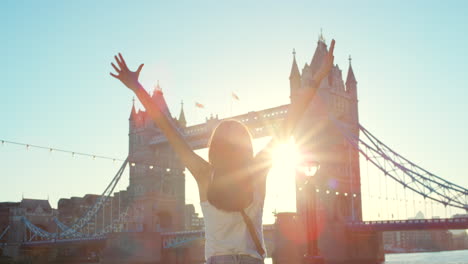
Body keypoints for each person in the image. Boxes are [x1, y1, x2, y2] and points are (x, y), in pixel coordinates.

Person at [110, 40, 335, 264]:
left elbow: (170, 131)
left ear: (214, 148)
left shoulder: (204, 174)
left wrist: (137, 88)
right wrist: (317, 78)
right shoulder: (257, 172)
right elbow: (290, 123)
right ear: (247, 147)